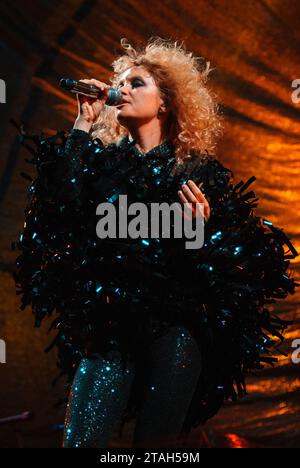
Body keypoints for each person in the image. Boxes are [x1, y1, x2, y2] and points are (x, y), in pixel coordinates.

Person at [13, 37, 299, 448]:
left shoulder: (201, 173)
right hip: (109, 329)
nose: (122, 89)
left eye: (137, 83)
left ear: (165, 104)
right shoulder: (101, 165)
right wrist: (83, 124)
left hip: (175, 330)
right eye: (121, 83)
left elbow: (235, 273)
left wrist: (203, 231)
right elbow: (55, 210)